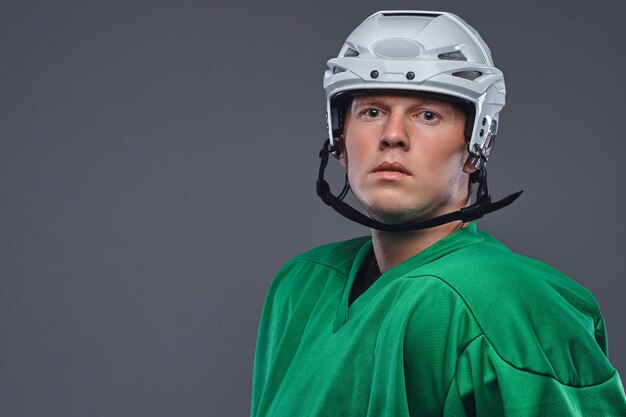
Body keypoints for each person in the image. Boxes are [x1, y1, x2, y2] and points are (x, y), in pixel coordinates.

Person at [250, 10, 626, 416]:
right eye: (372, 112)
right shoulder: (301, 286)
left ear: (476, 145)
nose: (392, 135)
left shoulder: (510, 308)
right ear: (339, 139)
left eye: (427, 114)